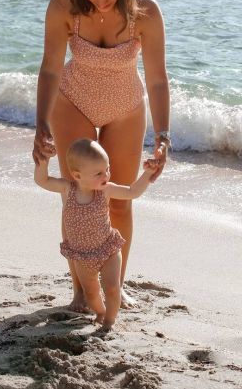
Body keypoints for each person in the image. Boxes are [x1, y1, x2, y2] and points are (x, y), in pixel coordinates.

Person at [32, 0, 170, 311]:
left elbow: (157, 79)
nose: (101, 0)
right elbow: (49, 68)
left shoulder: (146, 11)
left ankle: (114, 288)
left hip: (125, 108)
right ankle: (80, 290)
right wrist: (40, 123)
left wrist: (163, 135)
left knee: (120, 203)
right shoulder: (64, 6)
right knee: (77, 199)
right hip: (72, 101)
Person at [34, 138, 158, 332]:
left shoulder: (106, 190)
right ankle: (100, 312)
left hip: (107, 248)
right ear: (77, 175)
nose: (106, 175)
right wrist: (44, 162)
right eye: (99, 173)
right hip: (82, 256)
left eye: (107, 169)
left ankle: (109, 320)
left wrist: (148, 174)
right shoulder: (68, 189)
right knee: (91, 295)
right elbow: (42, 180)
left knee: (112, 288)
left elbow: (132, 191)